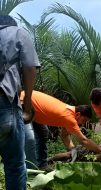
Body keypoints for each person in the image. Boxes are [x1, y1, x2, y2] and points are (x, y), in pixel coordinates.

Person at [20, 90, 101, 170]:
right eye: (83, 120)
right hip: (24, 103)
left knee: (43, 132)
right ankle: (31, 170)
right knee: (29, 138)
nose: (82, 124)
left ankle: (42, 164)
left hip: (35, 109)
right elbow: (83, 140)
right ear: (78, 114)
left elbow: (64, 135)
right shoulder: (69, 117)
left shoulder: (68, 112)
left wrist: (72, 149)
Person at [0, 15, 39, 189]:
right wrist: (28, 104)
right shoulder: (18, 33)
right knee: (15, 165)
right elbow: (30, 67)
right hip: (5, 104)